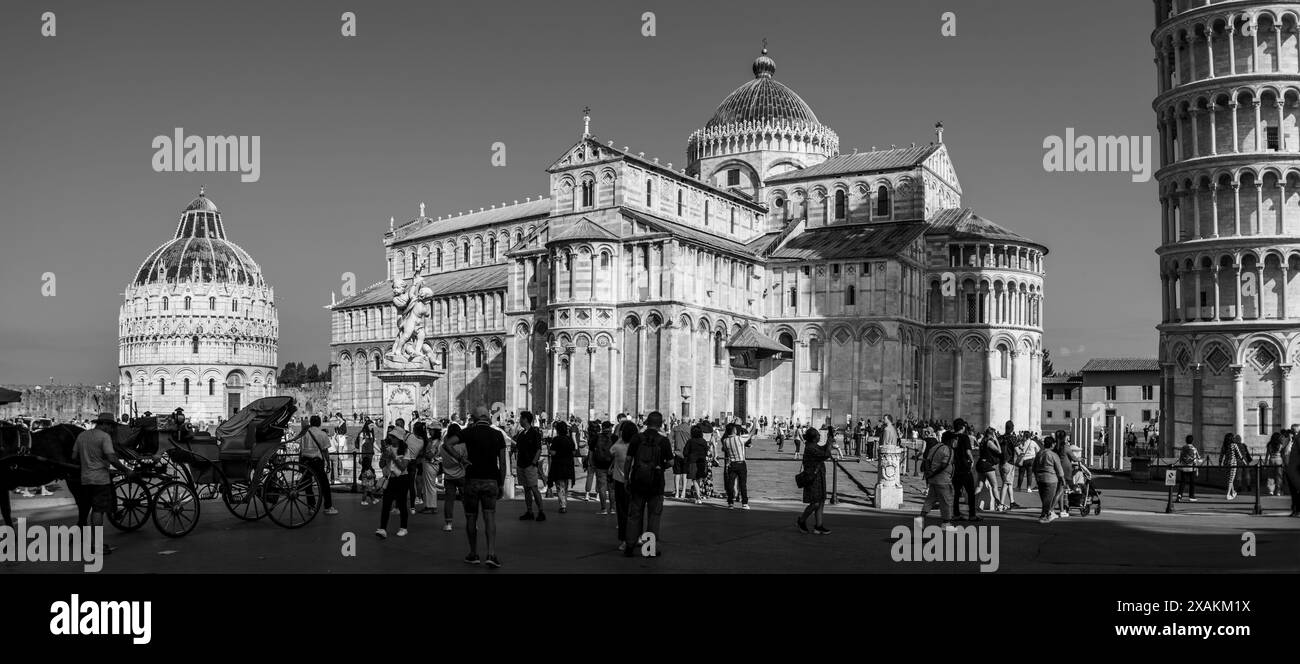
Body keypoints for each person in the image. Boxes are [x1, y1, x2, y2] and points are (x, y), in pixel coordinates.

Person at [72, 413, 134, 554]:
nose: (112, 430)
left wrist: (89, 462)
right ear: (105, 424)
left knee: (88, 510)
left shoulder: (82, 436)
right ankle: (97, 546)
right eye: (111, 427)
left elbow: (74, 457)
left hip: (85, 480)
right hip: (100, 480)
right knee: (98, 512)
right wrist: (126, 470)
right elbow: (112, 458)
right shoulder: (104, 437)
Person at [460, 406, 509, 568]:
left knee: (471, 518)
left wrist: (461, 460)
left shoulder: (468, 432)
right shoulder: (497, 434)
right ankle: (491, 553)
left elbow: (446, 444)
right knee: (489, 517)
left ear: (474, 418)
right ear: (487, 417)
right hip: (491, 480)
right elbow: (502, 462)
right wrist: (501, 483)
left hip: (472, 479)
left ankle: (473, 553)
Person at [623, 411, 673, 557]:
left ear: (647, 423)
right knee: (654, 516)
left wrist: (627, 478)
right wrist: (661, 467)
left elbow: (628, 460)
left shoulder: (637, 438)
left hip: (638, 481)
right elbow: (670, 462)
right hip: (656, 483)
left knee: (634, 514)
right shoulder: (663, 441)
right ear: (660, 424)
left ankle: (630, 545)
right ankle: (649, 549)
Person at [375, 418, 421, 538]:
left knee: (401, 504)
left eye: (394, 437)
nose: (391, 438)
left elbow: (402, 467)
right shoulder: (388, 448)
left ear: (399, 439)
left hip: (402, 479)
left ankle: (403, 527)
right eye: (391, 436)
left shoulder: (406, 450)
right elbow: (382, 465)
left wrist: (394, 457)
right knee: (386, 504)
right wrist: (385, 457)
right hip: (390, 479)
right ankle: (382, 528)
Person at [919, 426, 957, 531]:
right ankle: (946, 524)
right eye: (955, 440)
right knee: (947, 501)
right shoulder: (949, 449)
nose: (956, 442)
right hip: (943, 480)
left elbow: (927, 460)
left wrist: (929, 473)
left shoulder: (935, 447)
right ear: (950, 440)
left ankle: (920, 519)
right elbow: (944, 465)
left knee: (929, 501)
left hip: (933, 480)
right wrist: (933, 474)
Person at [796, 427, 832, 534]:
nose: (819, 436)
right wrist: (829, 443)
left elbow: (823, 449)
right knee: (815, 503)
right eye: (818, 435)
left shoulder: (813, 446)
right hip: (813, 479)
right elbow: (825, 454)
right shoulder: (810, 448)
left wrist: (828, 440)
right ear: (813, 438)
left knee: (820, 501)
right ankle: (801, 520)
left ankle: (818, 526)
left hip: (818, 477)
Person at [302, 416, 339, 515]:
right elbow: (325, 450)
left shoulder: (305, 433)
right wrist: (327, 462)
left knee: (308, 485)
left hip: (305, 460)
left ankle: (311, 507)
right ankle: (328, 506)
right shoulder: (322, 434)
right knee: (324, 484)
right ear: (319, 423)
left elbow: (300, 449)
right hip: (316, 460)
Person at [515, 411, 546, 522]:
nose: (519, 420)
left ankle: (541, 511)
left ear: (526, 420)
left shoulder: (534, 433)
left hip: (529, 465)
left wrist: (534, 462)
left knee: (533, 488)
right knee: (526, 489)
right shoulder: (521, 434)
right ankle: (529, 511)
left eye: (521, 418)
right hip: (521, 464)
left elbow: (538, 449)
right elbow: (517, 447)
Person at [948, 419, 980, 521]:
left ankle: (956, 514)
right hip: (964, 468)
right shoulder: (964, 437)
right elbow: (968, 451)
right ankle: (972, 515)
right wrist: (971, 460)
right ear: (962, 427)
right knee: (970, 492)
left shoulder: (949, 437)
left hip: (954, 468)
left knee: (956, 492)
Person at [440, 423, 468, 532]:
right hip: (462, 475)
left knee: (449, 501)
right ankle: (471, 522)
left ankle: (448, 523)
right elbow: (466, 460)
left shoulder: (443, 447)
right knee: (466, 500)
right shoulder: (463, 446)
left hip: (448, 477)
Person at [1032, 437, 1067, 523]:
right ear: (1052, 444)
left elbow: (1034, 467)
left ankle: (1045, 514)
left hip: (1040, 478)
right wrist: (1063, 479)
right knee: (1048, 499)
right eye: (1054, 444)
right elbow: (1059, 468)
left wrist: (1036, 476)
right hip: (1051, 479)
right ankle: (1045, 516)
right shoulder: (1053, 455)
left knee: (1044, 498)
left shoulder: (1039, 453)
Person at [611, 420, 634, 549]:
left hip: (620, 481)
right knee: (636, 511)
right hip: (635, 481)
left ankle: (625, 540)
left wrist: (620, 437)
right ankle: (639, 535)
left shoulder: (618, 447)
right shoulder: (637, 447)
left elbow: (610, 452)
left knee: (623, 512)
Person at [548, 421, 577, 514]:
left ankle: (562, 505)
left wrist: (549, 448)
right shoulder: (569, 439)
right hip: (568, 465)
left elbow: (553, 452)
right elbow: (573, 452)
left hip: (558, 465)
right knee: (565, 486)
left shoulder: (556, 439)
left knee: (560, 486)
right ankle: (564, 503)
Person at [721, 423, 750, 510]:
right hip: (741, 464)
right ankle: (744, 503)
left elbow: (724, 449)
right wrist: (755, 424)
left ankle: (730, 503)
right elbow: (751, 434)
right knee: (742, 484)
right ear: (734, 431)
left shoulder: (725, 441)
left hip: (731, 464)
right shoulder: (739, 438)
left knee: (731, 483)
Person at [589, 420, 615, 514]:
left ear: (602, 427)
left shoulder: (596, 437)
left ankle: (603, 509)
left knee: (602, 488)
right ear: (610, 428)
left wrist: (591, 462)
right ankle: (612, 508)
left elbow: (591, 451)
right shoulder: (614, 437)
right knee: (612, 489)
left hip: (599, 465)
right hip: (612, 466)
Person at [975, 427, 1003, 512]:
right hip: (987, 465)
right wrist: (996, 440)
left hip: (980, 463)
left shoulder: (982, 441)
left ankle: (974, 505)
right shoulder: (989, 442)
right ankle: (999, 505)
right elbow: (999, 451)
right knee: (994, 486)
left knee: (979, 485)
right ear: (991, 434)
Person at [682, 426, 710, 504]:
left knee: (694, 479)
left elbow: (685, 452)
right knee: (699, 478)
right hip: (702, 461)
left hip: (693, 462)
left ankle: (698, 496)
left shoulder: (690, 441)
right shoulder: (704, 441)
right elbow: (706, 451)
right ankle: (698, 495)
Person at [417, 423, 441, 515]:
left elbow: (430, 454)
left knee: (430, 486)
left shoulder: (435, 442)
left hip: (430, 464)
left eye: (431, 430)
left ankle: (431, 506)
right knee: (428, 485)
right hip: (428, 464)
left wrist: (423, 454)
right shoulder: (432, 440)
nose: (429, 431)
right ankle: (429, 505)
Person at [1175, 435, 1202, 503]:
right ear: (1192, 441)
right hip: (1191, 468)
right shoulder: (1194, 449)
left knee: (1183, 482)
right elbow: (1197, 459)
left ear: (1186, 440)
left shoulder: (1183, 448)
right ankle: (1191, 496)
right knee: (1192, 482)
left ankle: (1179, 495)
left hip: (1183, 467)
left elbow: (1180, 458)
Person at [670, 417, 691, 499]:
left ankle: (677, 492)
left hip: (677, 454)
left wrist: (672, 450)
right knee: (685, 474)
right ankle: (683, 492)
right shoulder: (690, 429)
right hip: (686, 455)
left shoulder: (675, 428)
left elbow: (670, 439)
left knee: (677, 474)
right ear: (688, 421)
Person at [1219, 433, 1244, 500]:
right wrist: (1244, 462)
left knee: (1229, 478)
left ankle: (1233, 492)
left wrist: (1220, 464)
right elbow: (1239, 455)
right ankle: (1228, 494)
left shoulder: (1224, 445)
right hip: (1233, 463)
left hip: (1226, 463)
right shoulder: (1234, 445)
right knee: (1231, 479)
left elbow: (1221, 455)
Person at [1266, 431, 1287, 496]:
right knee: (1279, 477)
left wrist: (1266, 462)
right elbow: (1283, 454)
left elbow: (1267, 454)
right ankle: (1278, 491)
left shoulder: (1269, 445)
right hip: (1279, 460)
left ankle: (1271, 491)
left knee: (1271, 476)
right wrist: (1284, 462)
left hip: (1271, 460)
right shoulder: (1281, 444)